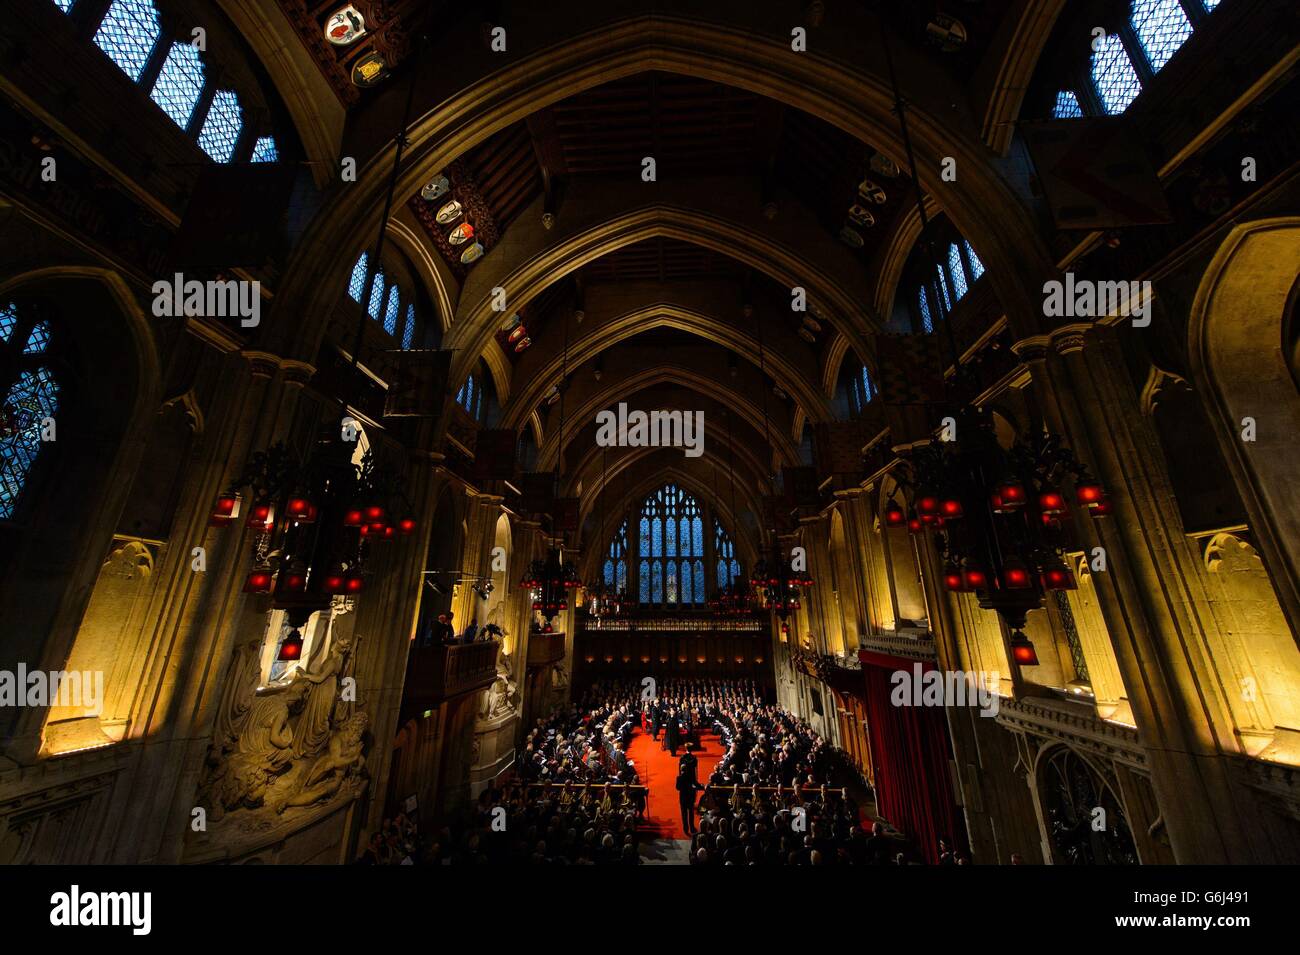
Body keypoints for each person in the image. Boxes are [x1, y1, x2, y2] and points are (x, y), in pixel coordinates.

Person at [676, 758, 704, 835]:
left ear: (681, 770)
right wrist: (702, 787)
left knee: (684, 814)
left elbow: (677, 788)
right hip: (690, 797)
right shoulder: (690, 777)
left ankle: (685, 829)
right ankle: (692, 827)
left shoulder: (679, 778)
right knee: (691, 813)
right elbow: (696, 784)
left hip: (683, 798)